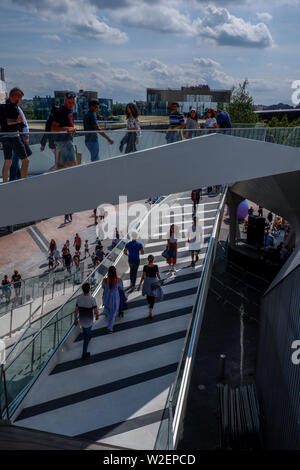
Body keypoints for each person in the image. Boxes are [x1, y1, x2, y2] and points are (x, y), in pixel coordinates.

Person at [0, 87, 30, 182]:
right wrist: (17, 121)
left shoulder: (2, 106)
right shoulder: (12, 106)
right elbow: (9, 122)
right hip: (13, 136)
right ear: (16, 97)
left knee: (8, 161)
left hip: (4, 137)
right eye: (20, 98)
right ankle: (23, 182)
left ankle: (4, 184)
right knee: (25, 161)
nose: (20, 100)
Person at [51, 91, 77, 168]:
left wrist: (70, 129)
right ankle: (72, 179)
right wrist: (68, 129)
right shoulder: (61, 111)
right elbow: (53, 128)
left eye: (73, 103)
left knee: (64, 164)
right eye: (69, 102)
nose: (71, 105)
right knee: (72, 163)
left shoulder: (68, 110)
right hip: (64, 141)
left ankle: (63, 179)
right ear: (65, 100)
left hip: (65, 140)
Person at [74, 282, 99, 359]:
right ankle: (84, 354)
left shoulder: (79, 298)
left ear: (83, 290)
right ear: (89, 289)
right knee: (86, 339)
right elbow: (95, 310)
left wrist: (75, 319)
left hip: (81, 320)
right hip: (89, 320)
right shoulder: (92, 299)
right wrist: (97, 315)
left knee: (85, 330)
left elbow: (76, 310)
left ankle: (88, 335)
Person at [138, 255, 161, 319]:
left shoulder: (145, 267)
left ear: (148, 259)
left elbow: (143, 276)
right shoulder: (156, 266)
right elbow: (158, 275)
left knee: (148, 295)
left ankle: (149, 304)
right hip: (154, 281)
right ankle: (150, 311)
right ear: (153, 259)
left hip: (147, 281)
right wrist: (159, 280)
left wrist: (139, 285)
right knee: (153, 296)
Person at [102, 266, 124, 332]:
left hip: (107, 298)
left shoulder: (105, 280)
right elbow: (121, 288)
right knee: (114, 312)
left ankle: (110, 325)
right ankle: (110, 327)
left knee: (108, 310)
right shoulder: (118, 280)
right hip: (115, 298)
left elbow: (103, 287)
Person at [40, 105, 60, 172]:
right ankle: (48, 174)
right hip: (55, 145)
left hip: (54, 145)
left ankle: (50, 174)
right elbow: (47, 133)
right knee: (58, 163)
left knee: (58, 163)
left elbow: (46, 133)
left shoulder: (50, 120)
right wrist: (43, 145)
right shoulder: (52, 121)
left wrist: (43, 145)